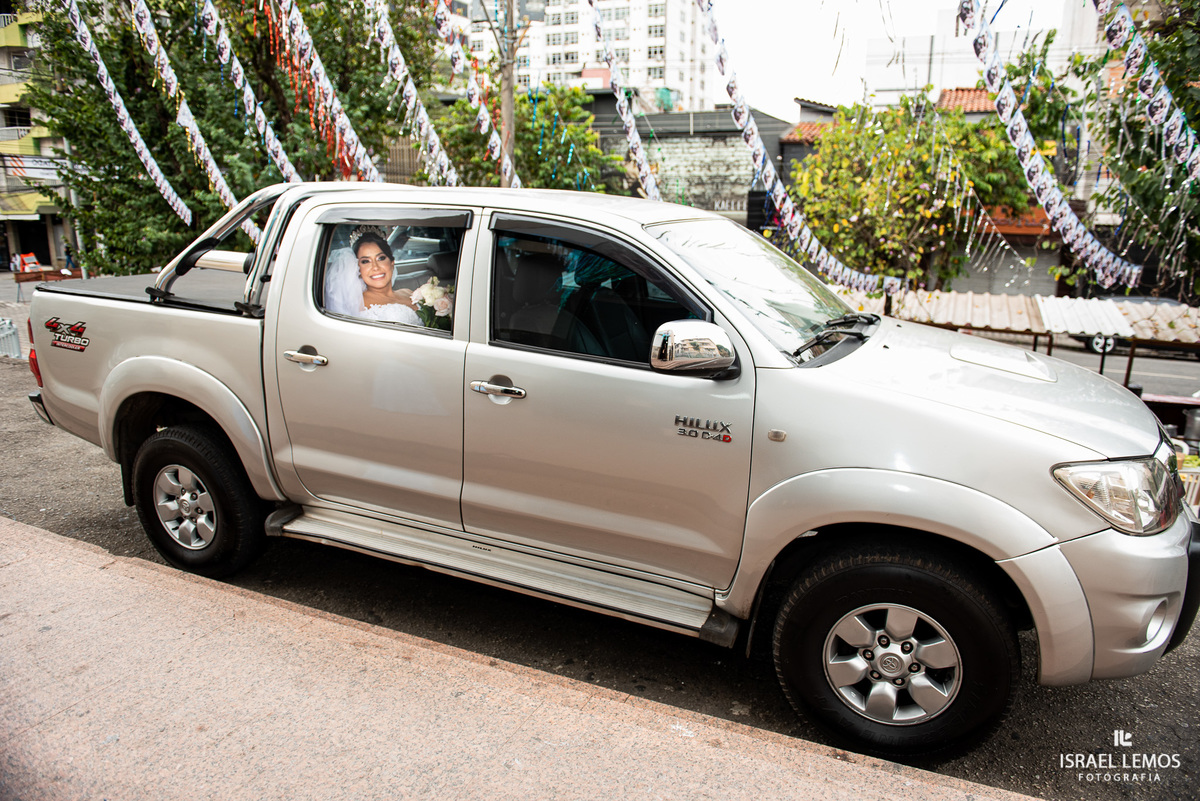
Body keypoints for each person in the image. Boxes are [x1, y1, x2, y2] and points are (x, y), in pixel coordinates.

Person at [323, 225, 420, 325]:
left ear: (392, 262)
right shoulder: (355, 304)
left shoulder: (409, 293)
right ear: (358, 269)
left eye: (381, 258)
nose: (375, 267)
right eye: (365, 261)